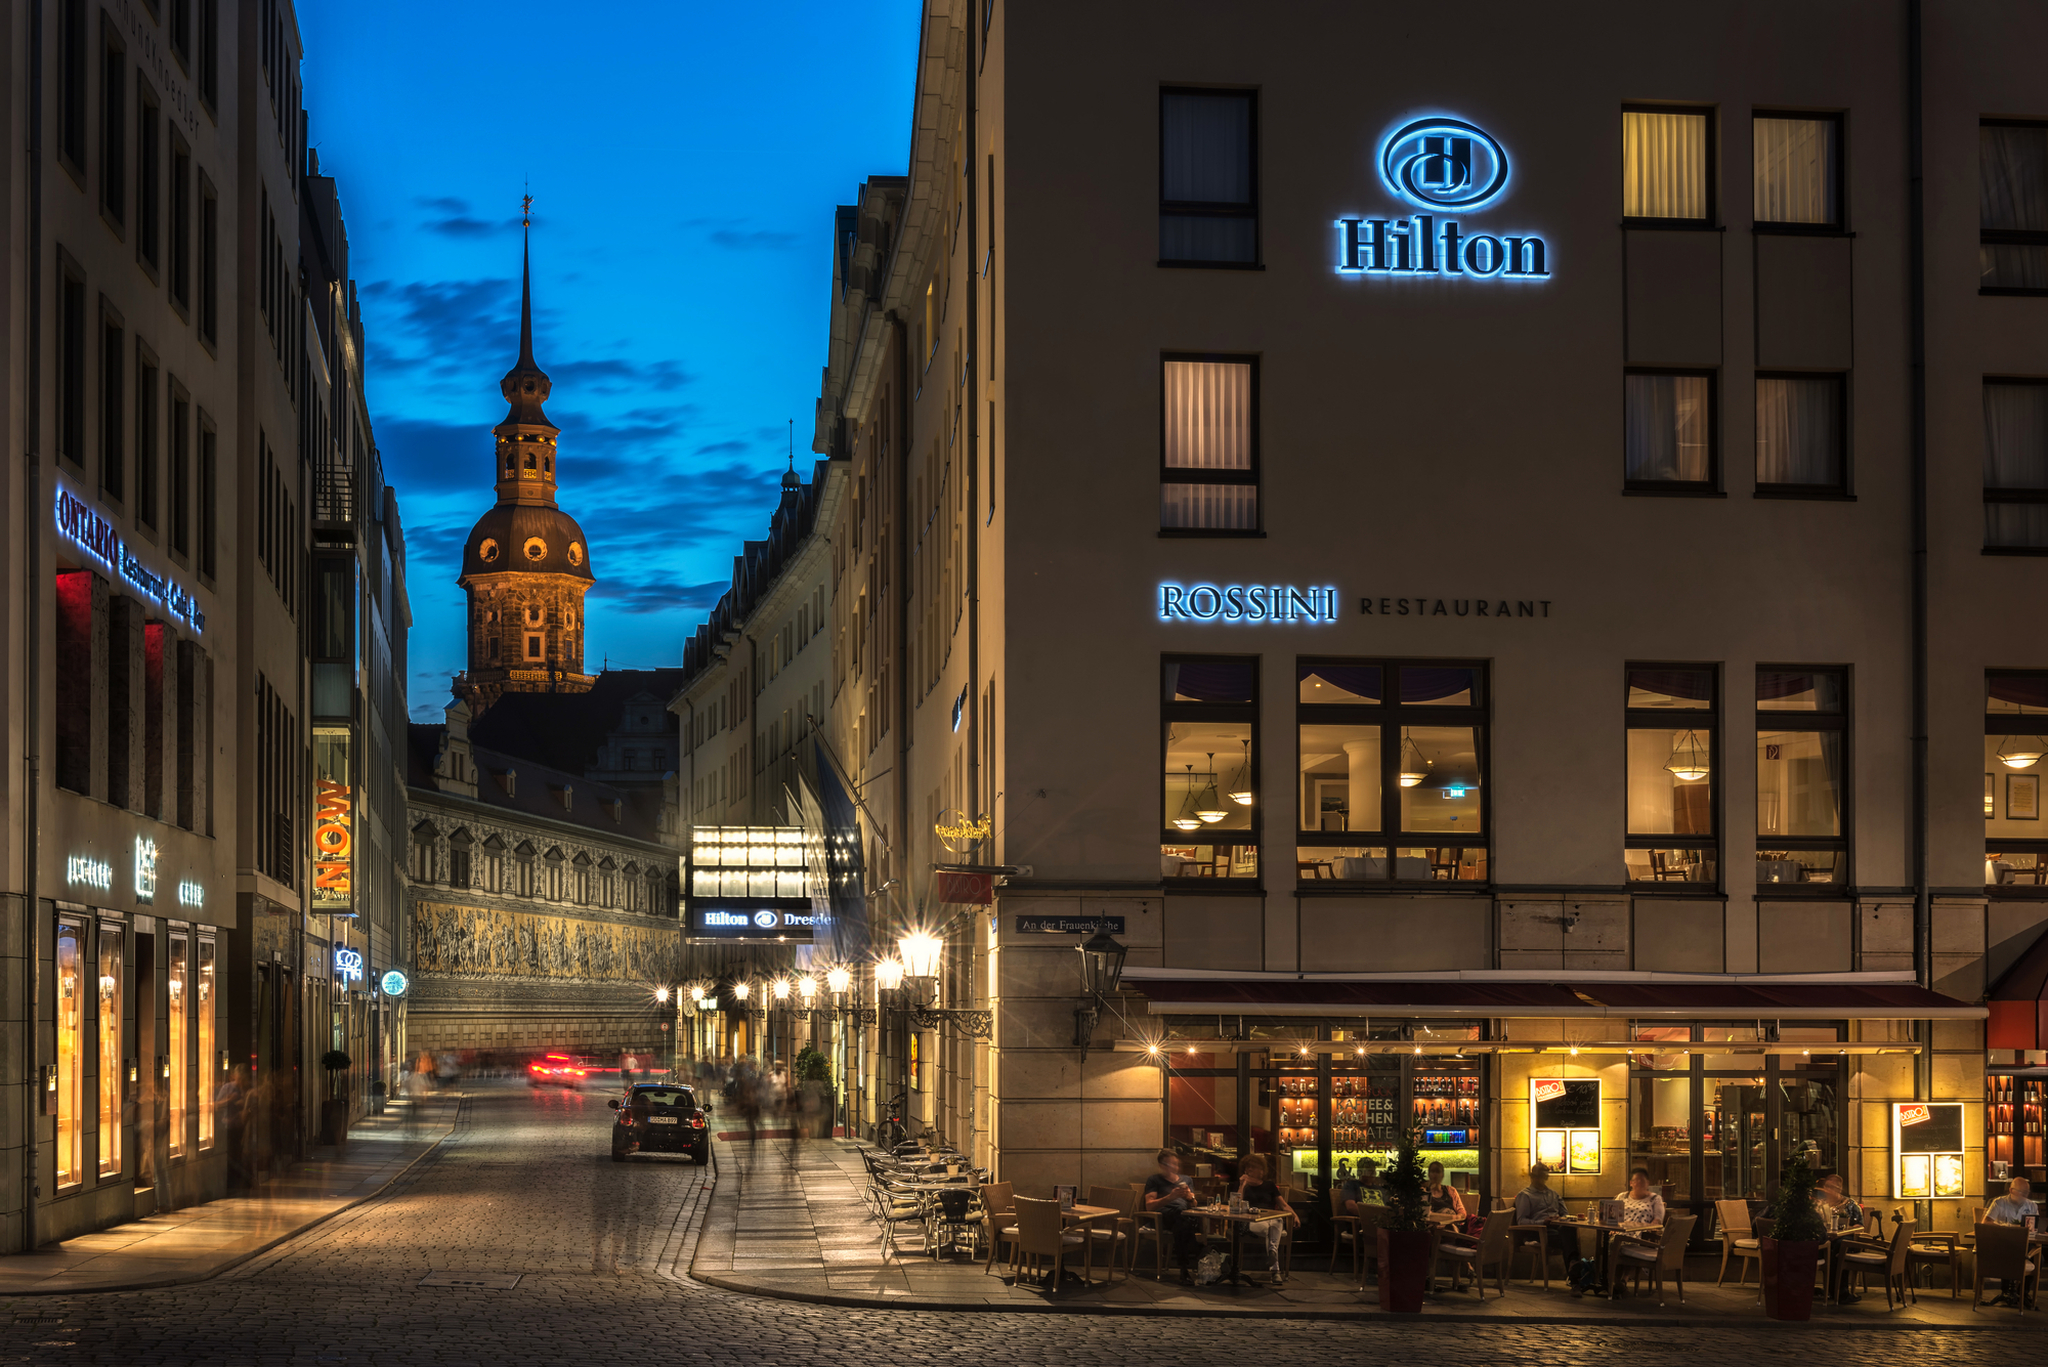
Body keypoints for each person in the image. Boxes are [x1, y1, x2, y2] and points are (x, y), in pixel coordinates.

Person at [1143, 1149, 1206, 1284]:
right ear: (1161, 1165)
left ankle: (1184, 1268)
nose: (1174, 1168)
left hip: (1183, 1216)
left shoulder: (1187, 1180)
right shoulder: (1154, 1180)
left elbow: (1194, 1204)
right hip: (1163, 1216)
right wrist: (1171, 1197)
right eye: (1170, 1164)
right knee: (1182, 1217)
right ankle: (1198, 1255)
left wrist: (1190, 1198)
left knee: (1184, 1219)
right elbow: (1149, 1206)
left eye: (1176, 1164)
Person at [1236, 1155, 1299, 1285]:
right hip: (1253, 1221)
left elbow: (1283, 1205)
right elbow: (1236, 1204)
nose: (1249, 1171)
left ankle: (1272, 1254)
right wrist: (1242, 1185)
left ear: (1262, 1171)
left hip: (1271, 1219)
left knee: (1278, 1221)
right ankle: (1275, 1271)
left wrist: (1294, 1215)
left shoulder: (1270, 1185)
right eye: (1247, 1168)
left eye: (1253, 1168)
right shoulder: (1244, 1186)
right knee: (1268, 1229)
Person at [1606, 1168, 1668, 1297]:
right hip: (1620, 1233)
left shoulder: (1655, 1199)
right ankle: (1617, 1282)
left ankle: (1620, 1281)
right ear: (1631, 1183)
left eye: (1642, 1181)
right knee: (1614, 1241)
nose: (1639, 1183)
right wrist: (1613, 1226)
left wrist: (1651, 1227)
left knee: (1623, 1244)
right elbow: (1612, 1217)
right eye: (1636, 1180)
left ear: (1647, 1183)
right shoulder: (1622, 1196)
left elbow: (1658, 1220)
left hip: (1640, 1235)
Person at [1512, 1162, 1578, 1279]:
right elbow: (1521, 1221)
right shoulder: (1525, 1195)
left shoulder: (1553, 1194)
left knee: (1569, 1230)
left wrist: (1560, 1219)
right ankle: (1575, 1271)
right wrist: (1543, 1222)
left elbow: (1565, 1214)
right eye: (1539, 1176)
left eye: (1544, 1176)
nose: (1541, 1179)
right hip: (1537, 1232)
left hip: (1556, 1228)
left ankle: (1574, 1271)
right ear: (1532, 1177)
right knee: (1568, 1239)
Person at [1815, 1172, 1867, 1304]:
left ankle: (1840, 1291)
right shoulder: (1820, 1205)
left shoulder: (1850, 1205)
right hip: (1825, 1240)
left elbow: (1859, 1227)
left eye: (1832, 1187)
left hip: (1846, 1241)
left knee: (1840, 1245)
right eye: (1827, 1186)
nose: (1828, 1190)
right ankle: (1810, 1289)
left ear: (1839, 1189)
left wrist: (1842, 1232)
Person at [1426, 1162, 1478, 1248]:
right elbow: (1428, 1215)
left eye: (1438, 1171)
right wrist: (1450, 1217)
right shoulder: (1425, 1192)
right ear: (1428, 1174)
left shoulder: (1451, 1190)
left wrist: (1451, 1219)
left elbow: (1462, 1213)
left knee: (1451, 1227)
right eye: (1432, 1171)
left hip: (1452, 1226)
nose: (1435, 1174)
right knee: (1448, 1224)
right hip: (1434, 1229)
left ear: (1442, 1175)